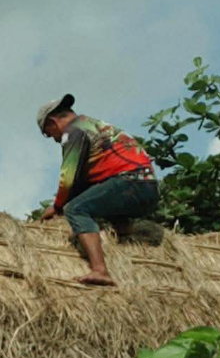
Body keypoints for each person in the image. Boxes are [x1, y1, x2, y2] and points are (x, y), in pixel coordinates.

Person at [36, 93, 159, 286]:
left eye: (48, 133)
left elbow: (68, 176)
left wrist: (58, 206)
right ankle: (126, 247)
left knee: (76, 209)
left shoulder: (73, 132)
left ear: (52, 122)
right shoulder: (97, 125)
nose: (53, 139)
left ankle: (100, 270)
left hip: (128, 182)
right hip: (148, 187)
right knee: (100, 203)